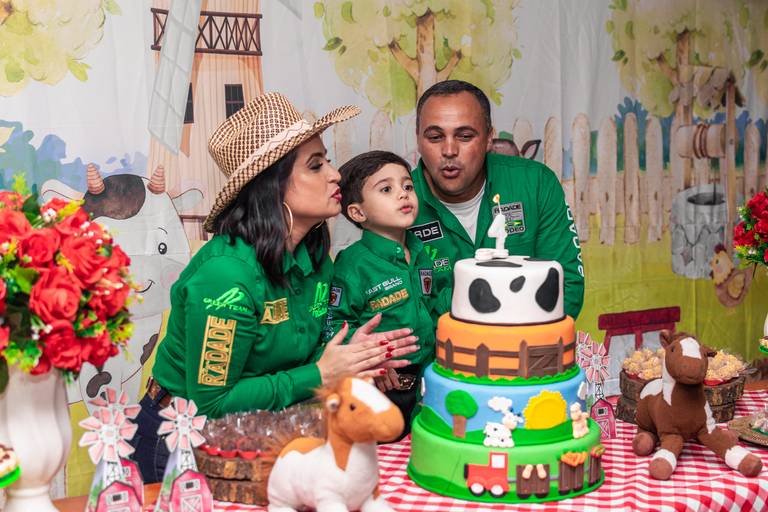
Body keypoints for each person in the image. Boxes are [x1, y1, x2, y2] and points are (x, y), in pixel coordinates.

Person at [131, 93, 418, 483]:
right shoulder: (227, 278)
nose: (335, 175)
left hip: (259, 434)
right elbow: (211, 404)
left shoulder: (316, 259)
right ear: (273, 186)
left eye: (327, 160)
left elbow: (300, 356)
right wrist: (321, 373)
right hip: (178, 441)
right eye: (315, 165)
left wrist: (353, 356)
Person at [408, 80, 584, 319]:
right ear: (418, 140)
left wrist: (512, 339)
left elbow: (566, 286)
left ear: (489, 138)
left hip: (525, 340)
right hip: (438, 344)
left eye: (465, 136)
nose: (449, 150)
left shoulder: (535, 183)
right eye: (435, 137)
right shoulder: (396, 203)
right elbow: (399, 309)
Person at [325, 151, 451, 436]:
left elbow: (433, 303)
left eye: (407, 186)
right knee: (382, 444)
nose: (403, 194)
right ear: (358, 213)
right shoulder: (353, 264)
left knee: (427, 441)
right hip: (382, 382)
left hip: (429, 372)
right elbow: (335, 326)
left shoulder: (421, 251)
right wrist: (368, 360)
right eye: (386, 189)